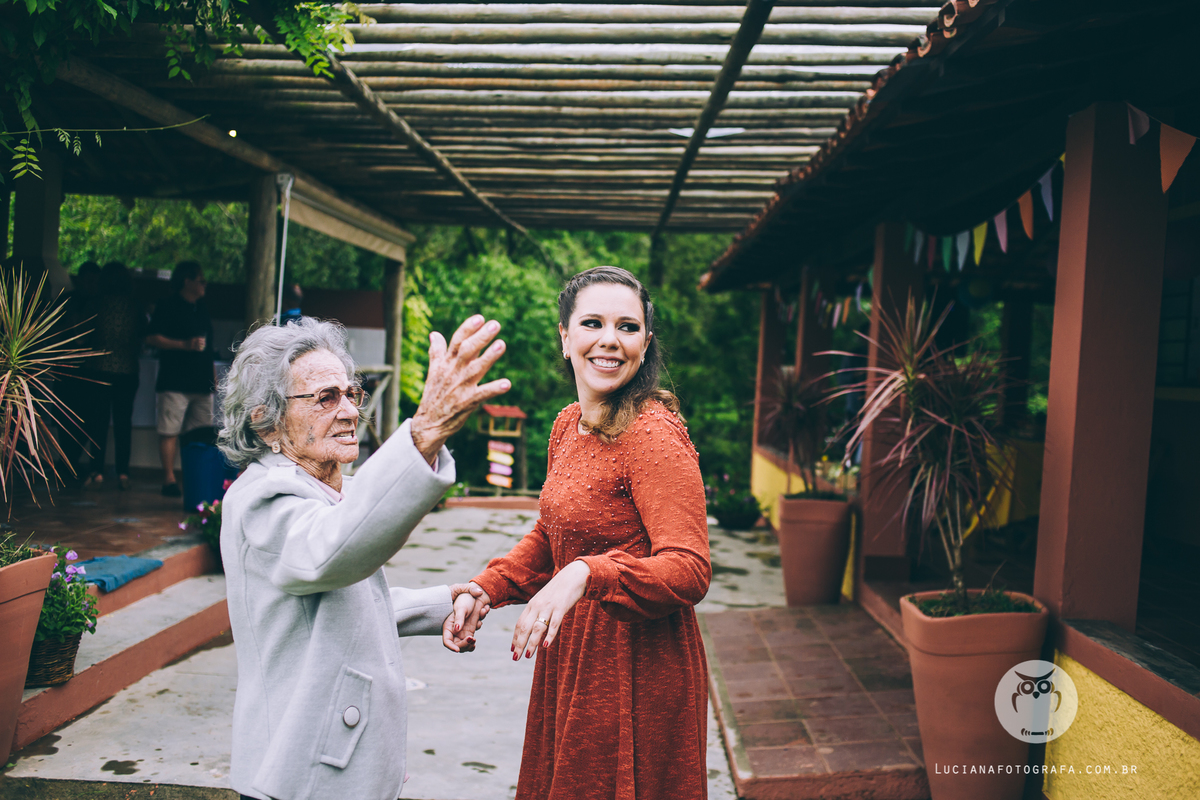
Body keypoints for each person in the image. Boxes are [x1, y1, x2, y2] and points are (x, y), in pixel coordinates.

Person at [218, 315, 507, 800]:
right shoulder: (262, 500)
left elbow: (341, 610)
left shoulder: (326, 491)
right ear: (265, 421)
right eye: (325, 398)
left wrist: (441, 603)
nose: (351, 410)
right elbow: (336, 552)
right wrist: (425, 431)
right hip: (298, 777)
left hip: (337, 765)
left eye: (351, 393)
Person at [456, 266, 712, 800]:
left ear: (645, 341)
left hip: (639, 666)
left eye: (628, 327)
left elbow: (689, 569)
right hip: (572, 654)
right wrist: (489, 588)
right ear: (565, 336)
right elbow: (553, 534)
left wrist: (588, 573)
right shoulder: (567, 424)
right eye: (593, 323)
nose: (610, 341)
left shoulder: (653, 434)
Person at [145, 260, 215, 496]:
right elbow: (152, 337)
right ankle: (169, 479)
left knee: (202, 432)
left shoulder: (203, 307)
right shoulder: (168, 305)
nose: (205, 285)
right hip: (175, 380)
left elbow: (210, 346)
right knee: (170, 430)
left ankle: (197, 474)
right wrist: (183, 345)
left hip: (201, 380)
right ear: (187, 281)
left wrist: (213, 376)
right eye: (201, 280)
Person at [82, 261, 145, 490]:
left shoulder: (95, 304)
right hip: (127, 371)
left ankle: (96, 470)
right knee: (122, 423)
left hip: (98, 369)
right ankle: (123, 473)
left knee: (98, 422)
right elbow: (142, 338)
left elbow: (83, 336)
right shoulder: (135, 306)